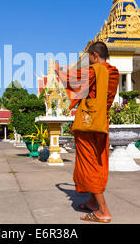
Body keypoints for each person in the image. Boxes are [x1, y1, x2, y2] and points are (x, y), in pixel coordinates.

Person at [55, 41, 119, 223]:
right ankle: (92, 202)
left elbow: (73, 82)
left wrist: (59, 71)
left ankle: (103, 211)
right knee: (97, 163)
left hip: (88, 126)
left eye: (89, 58)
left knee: (89, 165)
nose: (88, 62)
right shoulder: (112, 72)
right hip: (101, 124)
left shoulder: (95, 71)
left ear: (94, 56)